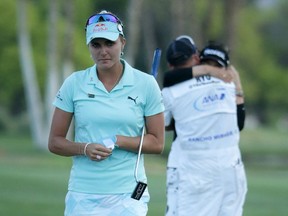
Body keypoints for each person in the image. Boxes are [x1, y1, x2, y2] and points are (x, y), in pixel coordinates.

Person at [48, 10, 165, 216]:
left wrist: (118, 139)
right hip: (83, 194)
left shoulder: (146, 84)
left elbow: (157, 143)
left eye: (109, 43)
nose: (103, 51)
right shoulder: (74, 83)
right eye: (96, 45)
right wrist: (85, 148)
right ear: (89, 47)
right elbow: (55, 142)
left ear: (122, 43)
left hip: (129, 194)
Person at [162, 37, 247, 216]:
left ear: (170, 65)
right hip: (232, 169)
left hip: (194, 172)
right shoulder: (228, 83)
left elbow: (163, 124)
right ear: (195, 58)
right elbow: (239, 123)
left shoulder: (170, 91)